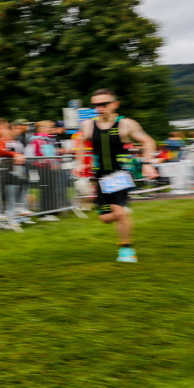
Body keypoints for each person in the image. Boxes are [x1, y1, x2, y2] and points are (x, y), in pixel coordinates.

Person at [73, 89, 159, 262]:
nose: (99, 108)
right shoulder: (89, 124)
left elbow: (148, 141)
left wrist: (148, 163)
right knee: (105, 218)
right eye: (96, 105)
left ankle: (126, 249)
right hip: (100, 174)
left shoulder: (126, 124)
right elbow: (81, 143)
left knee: (118, 212)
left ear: (115, 104)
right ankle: (121, 212)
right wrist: (80, 162)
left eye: (103, 104)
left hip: (120, 173)